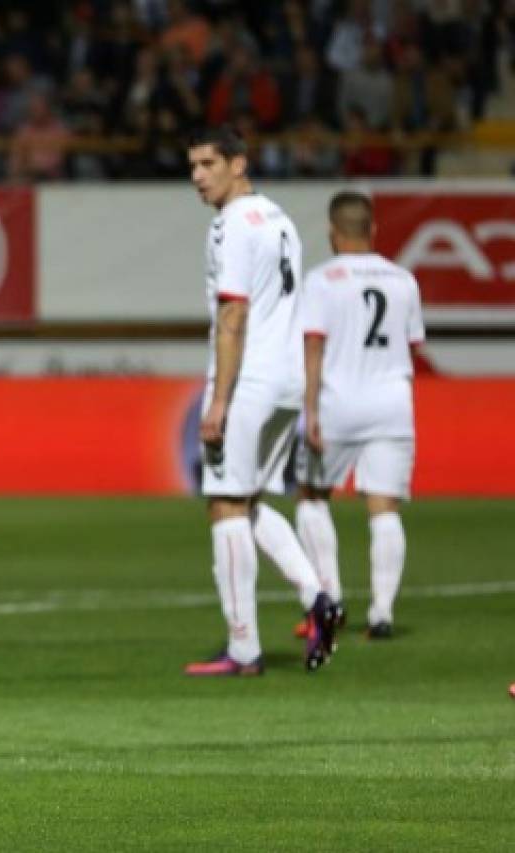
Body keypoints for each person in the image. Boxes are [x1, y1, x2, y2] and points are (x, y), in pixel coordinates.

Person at [183, 126, 336, 678]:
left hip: (249, 381)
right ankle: (319, 596)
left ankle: (242, 647)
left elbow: (233, 314)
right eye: (193, 166)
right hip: (288, 380)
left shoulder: (230, 228)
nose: (197, 176)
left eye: (207, 163)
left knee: (224, 504)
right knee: (248, 502)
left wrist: (218, 399)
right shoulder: (279, 219)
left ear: (238, 163)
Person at [295, 191, 425, 640]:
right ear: (373, 231)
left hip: (338, 402)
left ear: (333, 234)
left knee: (312, 496)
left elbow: (313, 345)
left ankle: (328, 601)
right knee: (384, 508)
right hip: (392, 402)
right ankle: (382, 614)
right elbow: (412, 345)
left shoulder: (322, 279)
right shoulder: (404, 279)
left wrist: (308, 409)